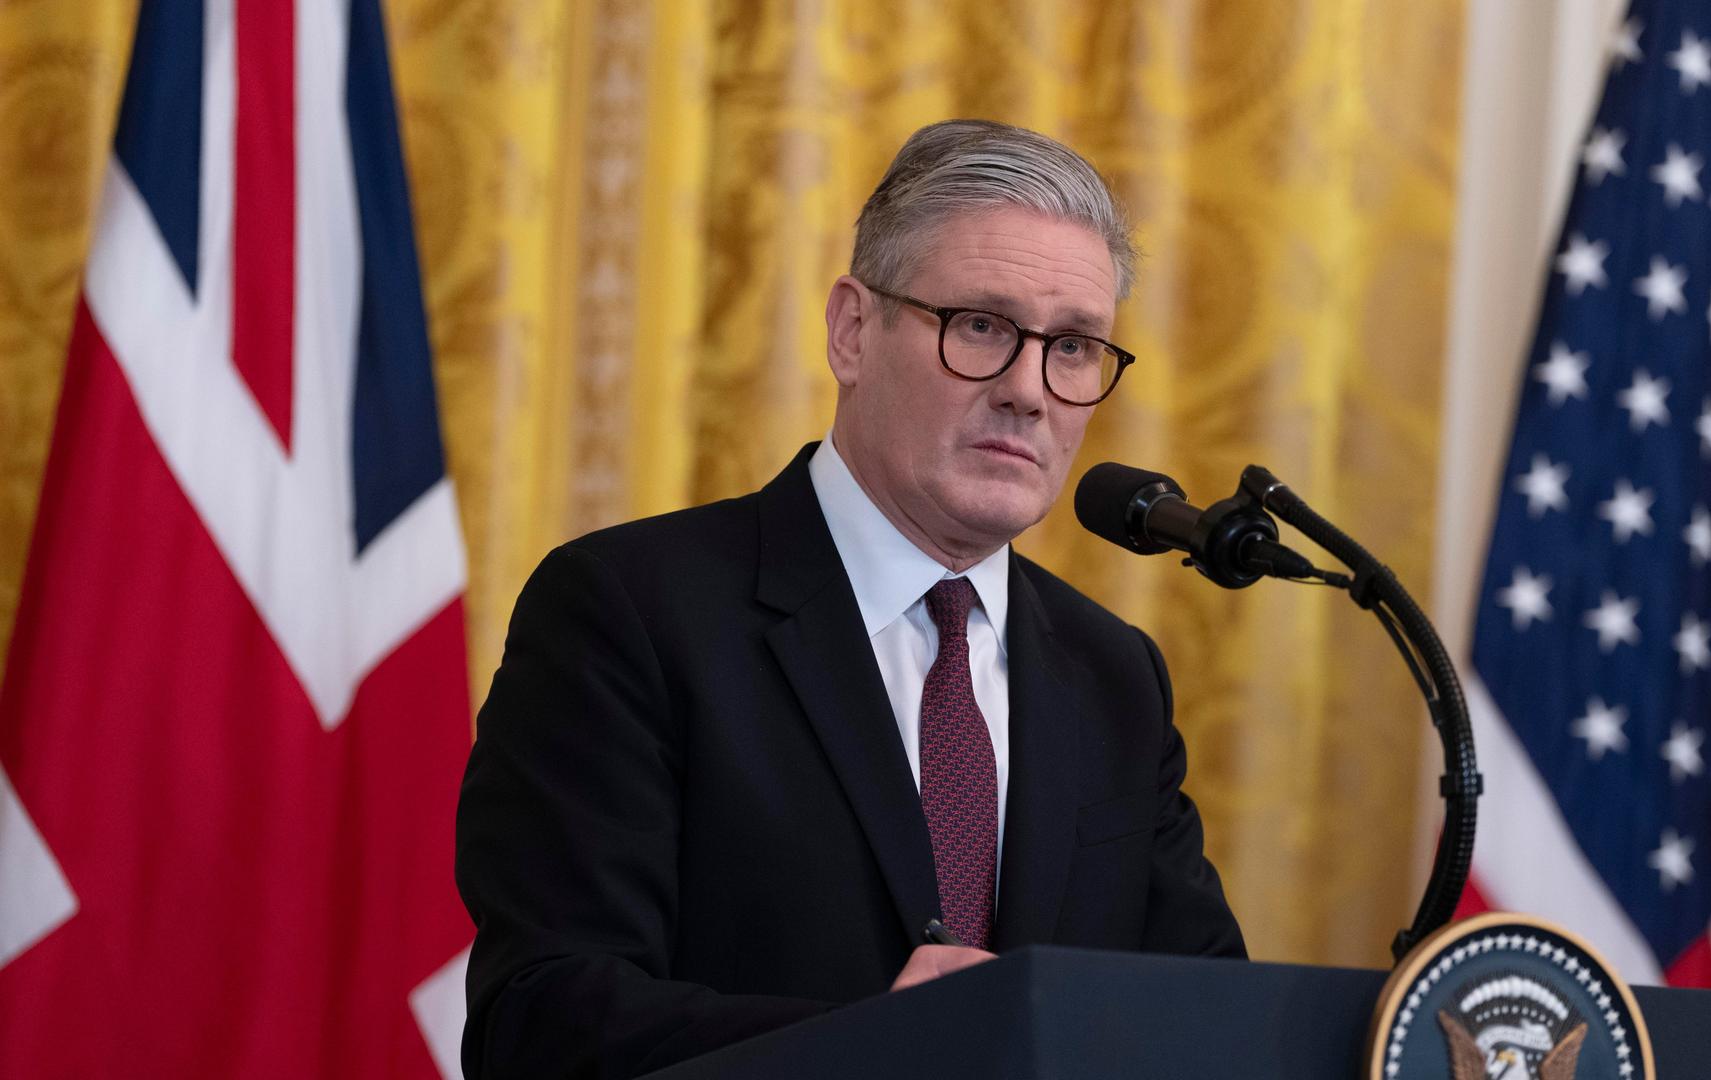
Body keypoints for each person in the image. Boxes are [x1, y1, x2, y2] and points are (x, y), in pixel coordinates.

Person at [454, 118, 1245, 1079]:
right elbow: (541, 1019)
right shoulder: (628, 613)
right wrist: (867, 1048)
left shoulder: (1113, 674)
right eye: (982, 327)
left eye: (1075, 347)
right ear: (852, 330)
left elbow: (1208, 1017)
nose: (1030, 391)